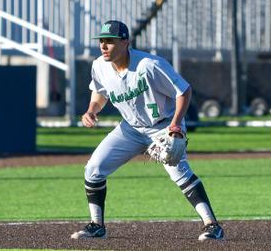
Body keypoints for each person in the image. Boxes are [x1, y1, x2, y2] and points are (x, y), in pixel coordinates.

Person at [70, 20, 224, 241]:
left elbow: (183, 90)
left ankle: (212, 225)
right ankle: (97, 226)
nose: (104, 46)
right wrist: (92, 110)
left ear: (125, 42)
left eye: (110, 41)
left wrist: (176, 124)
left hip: (162, 125)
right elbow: (100, 92)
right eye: (102, 41)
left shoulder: (149, 65)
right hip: (130, 128)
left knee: (179, 172)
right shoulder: (99, 66)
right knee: (93, 169)